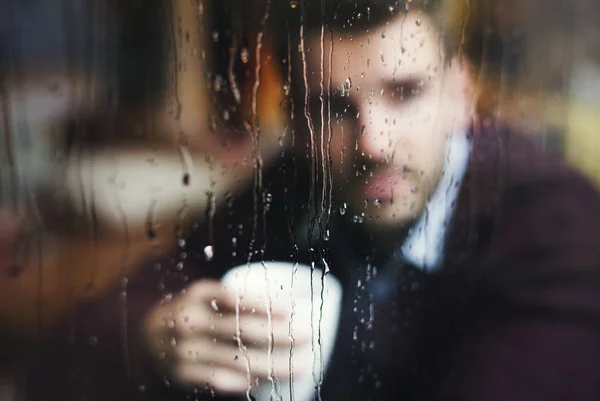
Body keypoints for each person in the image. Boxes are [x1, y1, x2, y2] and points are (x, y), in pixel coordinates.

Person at [282, 1, 600, 400]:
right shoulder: (291, 187)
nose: (373, 144)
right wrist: (180, 333)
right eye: (333, 110)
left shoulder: (557, 228)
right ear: (296, 125)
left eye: (405, 93)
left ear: (460, 95)